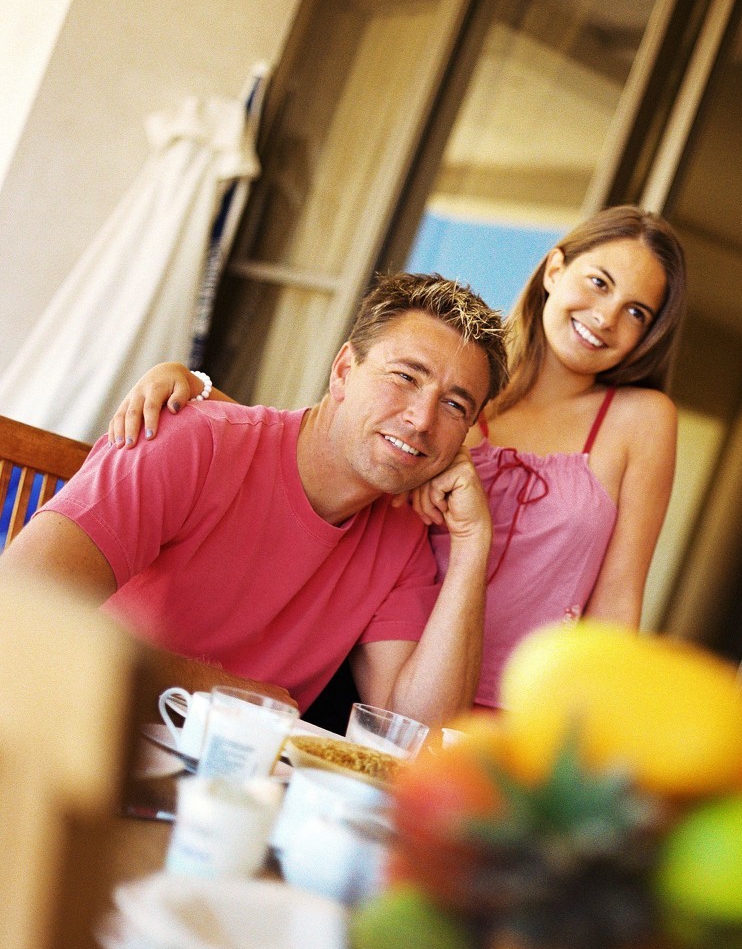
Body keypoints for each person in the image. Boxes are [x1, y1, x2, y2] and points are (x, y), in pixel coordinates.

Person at [109, 206, 686, 709]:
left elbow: (618, 601)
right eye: (599, 282)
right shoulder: (457, 389)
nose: (607, 316)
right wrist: (191, 383)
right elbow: (331, 439)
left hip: (524, 710)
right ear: (555, 270)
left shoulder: (640, 421)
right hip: (387, 674)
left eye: (638, 312)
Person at [1, 273, 509, 727]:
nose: (422, 419)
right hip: (63, 737)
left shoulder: (402, 535)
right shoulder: (193, 441)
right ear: (343, 371)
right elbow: (16, 608)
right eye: (405, 376)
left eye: (453, 404)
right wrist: (235, 692)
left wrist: (471, 542)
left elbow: (415, 732)